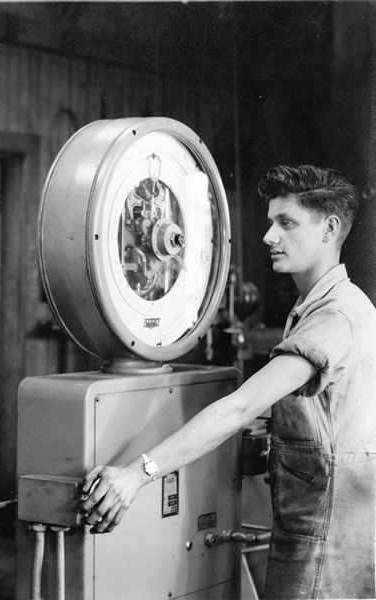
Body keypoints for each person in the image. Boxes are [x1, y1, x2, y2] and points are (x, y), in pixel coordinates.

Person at [77, 164, 376, 599]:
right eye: (271, 222)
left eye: (286, 223)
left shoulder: (332, 318)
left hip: (326, 544)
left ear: (330, 229)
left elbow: (238, 407)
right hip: (333, 531)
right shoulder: (339, 304)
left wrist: (137, 474)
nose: (268, 237)